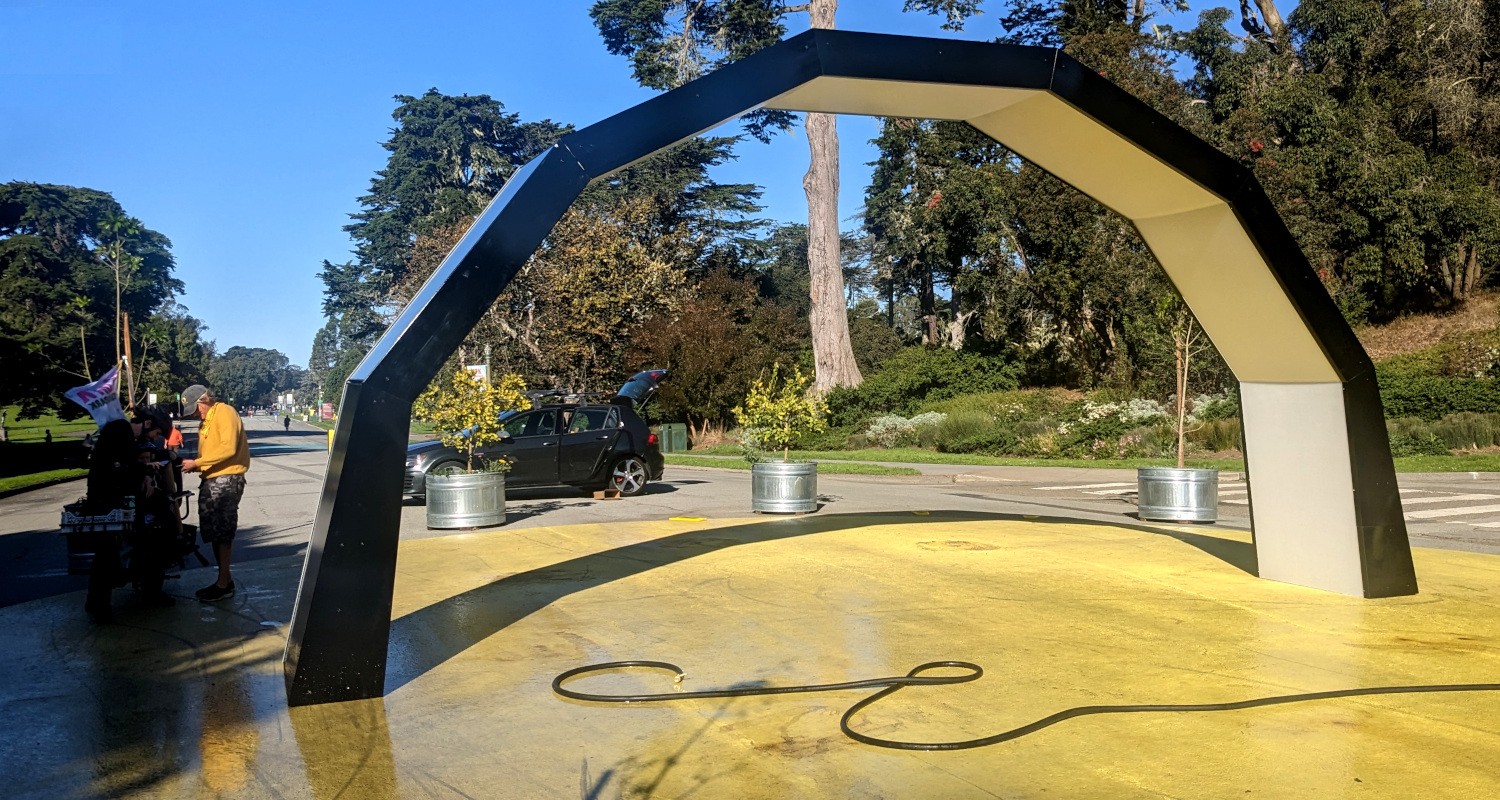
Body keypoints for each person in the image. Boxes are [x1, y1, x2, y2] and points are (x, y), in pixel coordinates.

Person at [82, 406, 177, 622]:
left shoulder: (124, 433)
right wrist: (142, 473)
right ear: (149, 423)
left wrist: (143, 473)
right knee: (106, 554)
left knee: (144, 543)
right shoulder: (119, 430)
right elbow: (117, 468)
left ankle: (151, 591)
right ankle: (98, 604)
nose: (156, 438)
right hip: (106, 501)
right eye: (158, 433)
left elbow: (126, 465)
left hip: (120, 499)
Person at [180, 384, 249, 602]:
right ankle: (224, 579)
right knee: (213, 532)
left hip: (226, 478)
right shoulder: (206, 420)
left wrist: (197, 462)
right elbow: (212, 452)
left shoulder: (225, 412)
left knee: (223, 531)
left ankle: (223, 583)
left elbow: (228, 449)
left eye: (195, 407)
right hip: (210, 479)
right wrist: (196, 465)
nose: (193, 413)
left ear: (205, 399)